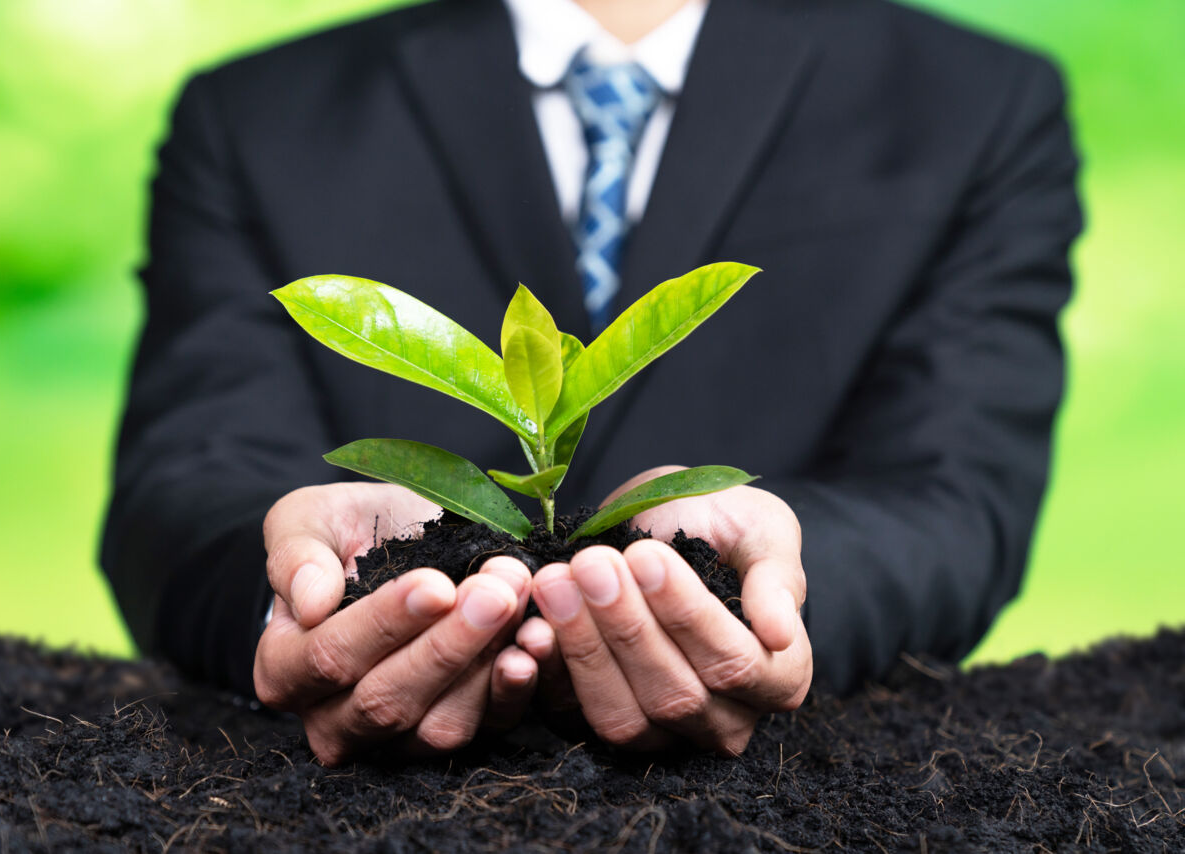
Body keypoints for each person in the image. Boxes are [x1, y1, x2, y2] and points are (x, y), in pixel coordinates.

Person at [102, 0, 1082, 765]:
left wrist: (773, 588)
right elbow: (184, 478)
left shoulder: (974, 103)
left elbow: (955, 492)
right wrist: (293, 597)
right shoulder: (257, 117)